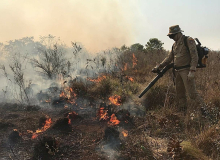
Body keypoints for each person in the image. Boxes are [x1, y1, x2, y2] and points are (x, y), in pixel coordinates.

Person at [152, 25, 205, 116]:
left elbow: (194, 56)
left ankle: (204, 111)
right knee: (180, 93)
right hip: (177, 71)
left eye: (172, 36)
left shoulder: (188, 40)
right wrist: (159, 66)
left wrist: (192, 70)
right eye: (170, 36)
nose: (171, 38)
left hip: (187, 71)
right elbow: (169, 58)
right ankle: (183, 111)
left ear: (178, 33)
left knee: (192, 93)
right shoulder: (174, 45)